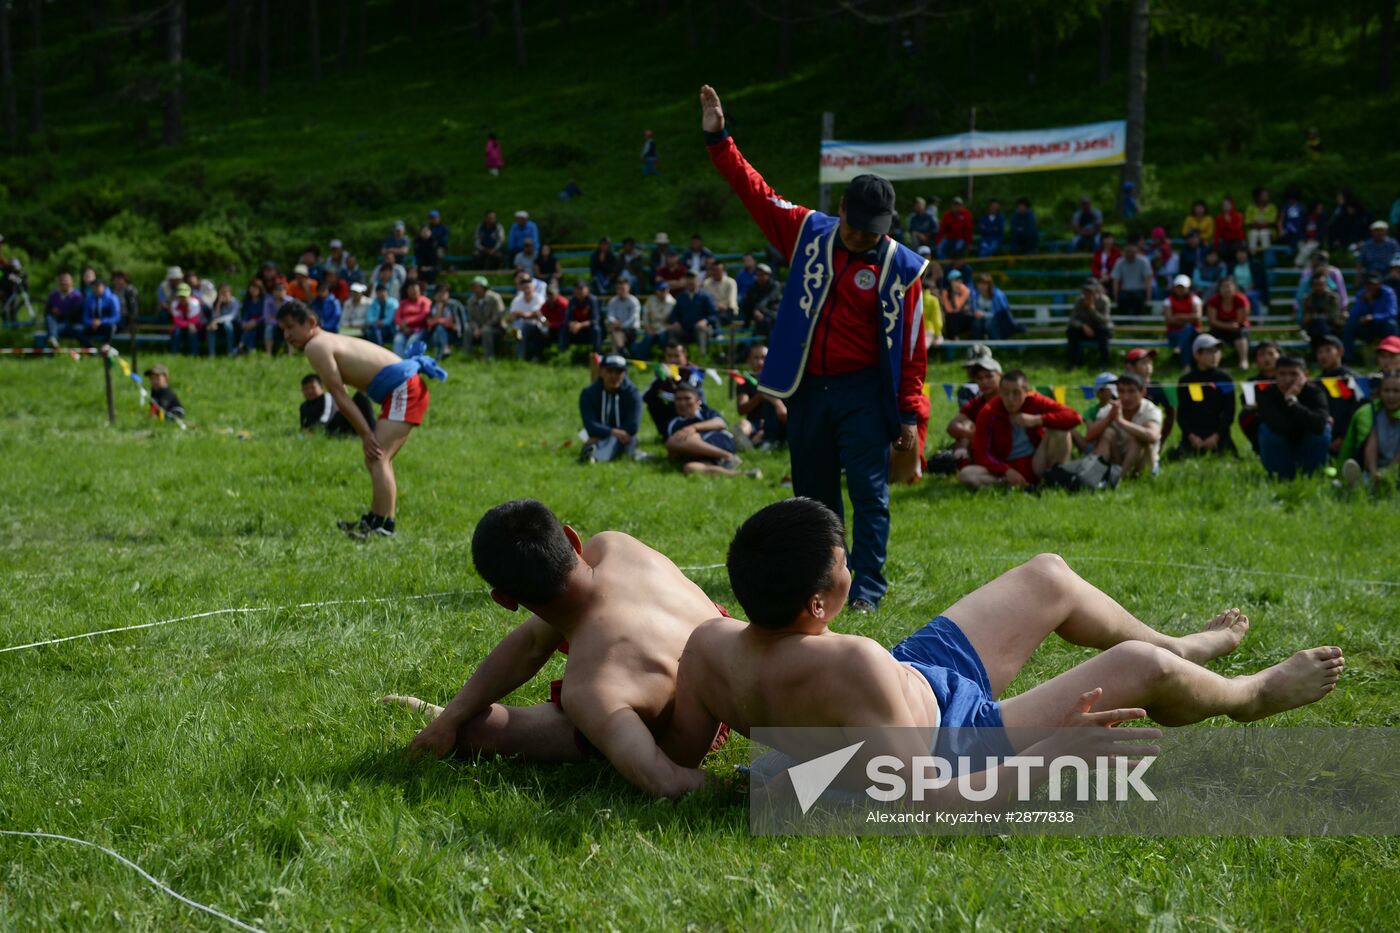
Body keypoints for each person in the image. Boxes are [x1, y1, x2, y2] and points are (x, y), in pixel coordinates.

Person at [641, 500, 1343, 801]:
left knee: (1049, 576)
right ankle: (1250, 694)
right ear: (817, 605)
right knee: (1143, 670)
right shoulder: (850, 662)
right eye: (843, 563)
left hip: (912, 679)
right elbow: (925, 806)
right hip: (957, 738)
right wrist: (1055, 753)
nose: (849, 566)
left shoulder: (708, 646)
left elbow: (678, 754)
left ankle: (1179, 640)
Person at [703, 83, 925, 612]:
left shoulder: (903, 267)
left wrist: (910, 414)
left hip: (864, 392)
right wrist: (719, 139)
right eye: (856, 227)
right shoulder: (805, 231)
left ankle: (867, 590)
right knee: (813, 497)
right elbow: (755, 191)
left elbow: (912, 350)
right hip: (806, 388)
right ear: (840, 208)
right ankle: (824, 582)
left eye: (873, 232)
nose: (863, 238)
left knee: (869, 492)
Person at [389, 499, 733, 798]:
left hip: (687, 726)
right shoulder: (616, 545)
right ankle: (446, 719)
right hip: (735, 673)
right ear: (572, 538)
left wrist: (747, 788)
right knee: (473, 724)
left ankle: (447, 720)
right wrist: (452, 717)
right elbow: (530, 643)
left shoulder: (591, 689)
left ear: (505, 601)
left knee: (478, 734)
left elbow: (665, 779)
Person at [277, 300, 446, 539]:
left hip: (405, 387)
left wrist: (366, 434)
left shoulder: (316, 346)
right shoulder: (324, 341)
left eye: (290, 327)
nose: (286, 335)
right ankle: (377, 520)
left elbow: (339, 394)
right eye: (282, 329)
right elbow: (343, 391)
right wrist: (365, 432)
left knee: (378, 456)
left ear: (311, 322)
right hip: (404, 386)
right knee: (376, 458)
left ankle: (383, 526)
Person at [960, 370, 1081, 489]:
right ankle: (1012, 484)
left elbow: (1074, 417)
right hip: (1004, 466)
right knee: (967, 474)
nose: (1010, 398)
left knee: (1061, 431)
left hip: (1038, 462)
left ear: (1026, 392)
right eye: (1006, 393)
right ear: (1000, 392)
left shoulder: (1036, 401)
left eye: (1016, 393)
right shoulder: (988, 412)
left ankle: (1054, 479)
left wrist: (1037, 420)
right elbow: (981, 454)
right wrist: (1006, 470)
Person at [1256, 356, 1330, 479]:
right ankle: (1279, 476)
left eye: (1293, 374)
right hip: (1283, 445)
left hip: (1308, 444)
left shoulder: (1316, 392)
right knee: (1266, 430)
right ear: (1275, 375)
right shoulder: (1267, 394)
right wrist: (1303, 420)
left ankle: (1312, 475)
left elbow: (1320, 424)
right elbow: (1275, 425)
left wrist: (1292, 402)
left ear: (1305, 375)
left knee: (1324, 430)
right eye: (1282, 374)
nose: (1287, 379)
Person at [664, 384, 757, 478]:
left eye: (687, 398)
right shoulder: (674, 423)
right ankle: (743, 475)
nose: (682, 403)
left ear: (697, 400)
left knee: (675, 440)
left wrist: (693, 428)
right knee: (690, 468)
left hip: (719, 441)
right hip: (699, 455)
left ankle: (726, 456)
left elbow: (720, 423)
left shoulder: (706, 413)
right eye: (678, 399)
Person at [1173, 335, 1237, 459]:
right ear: (1197, 355)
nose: (1215, 356)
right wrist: (1191, 436)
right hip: (1194, 434)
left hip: (1219, 433)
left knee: (1229, 457)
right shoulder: (1186, 380)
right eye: (1209, 352)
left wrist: (1216, 436)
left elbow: (1229, 412)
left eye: (1217, 351)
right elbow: (1182, 414)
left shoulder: (1226, 379)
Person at [1087, 372, 1163, 477]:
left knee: (1138, 438)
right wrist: (1109, 418)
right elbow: (1089, 437)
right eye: (1121, 391)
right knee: (1108, 433)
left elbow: (1152, 436)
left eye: (1131, 391)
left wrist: (1121, 421)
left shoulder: (1151, 410)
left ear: (1142, 392)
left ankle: (1120, 478)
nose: (1125, 397)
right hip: (1117, 459)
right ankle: (1097, 474)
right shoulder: (1110, 409)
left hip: (1143, 466)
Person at [579, 355, 643, 463]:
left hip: (623, 439)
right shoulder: (588, 394)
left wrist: (612, 435)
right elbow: (590, 424)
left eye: (619, 372)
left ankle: (595, 457)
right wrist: (612, 432)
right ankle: (596, 454)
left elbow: (633, 426)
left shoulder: (633, 394)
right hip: (598, 436)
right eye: (610, 371)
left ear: (625, 373)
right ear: (601, 372)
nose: (614, 376)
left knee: (623, 440)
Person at [946, 353, 1001, 469]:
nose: (984, 382)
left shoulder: (1009, 399)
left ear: (1000, 376)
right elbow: (951, 426)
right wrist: (974, 434)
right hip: (983, 444)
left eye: (989, 376)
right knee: (967, 425)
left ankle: (962, 461)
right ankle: (962, 462)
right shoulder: (977, 402)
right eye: (979, 378)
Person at [642, 342, 706, 437]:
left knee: (684, 400)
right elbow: (646, 397)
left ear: (685, 355)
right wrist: (661, 378)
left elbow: (688, 394)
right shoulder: (662, 371)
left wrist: (675, 378)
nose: (672, 360)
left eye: (676, 356)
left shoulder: (695, 372)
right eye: (669, 356)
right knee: (653, 400)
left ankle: (692, 431)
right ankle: (666, 434)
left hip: (692, 409)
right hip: (673, 407)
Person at [1349, 371, 1400, 483]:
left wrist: (1389, 473)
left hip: (1396, 468)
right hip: (1378, 467)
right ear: (1380, 393)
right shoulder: (1373, 414)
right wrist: (1374, 473)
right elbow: (1371, 446)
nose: (1391, 395)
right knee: (1367, 480)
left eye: (1396, 391)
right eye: (1386, 390)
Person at [734, 343, 787, 450]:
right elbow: (742, 409)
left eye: (764, 358)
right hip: (754, 422)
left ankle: (759, 440)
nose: (760, 362)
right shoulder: (745, 382)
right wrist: (760, 396)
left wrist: (775, 402)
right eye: (756, 358)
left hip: (777, 422)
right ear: (749, 361)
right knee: (743, 425)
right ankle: (751, 441)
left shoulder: (779, 379)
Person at [1343, 273, 1399, 363]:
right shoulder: (1362, 294)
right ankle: (1348, 359)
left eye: (1374, 284)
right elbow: (1354, 315)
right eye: (1368, 284)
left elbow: (1392, 313)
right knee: (1349, 326)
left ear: (1380, 284)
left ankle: (1394, 355)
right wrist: (1366, 302)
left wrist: (1374, 317)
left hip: (1382, 326)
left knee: (1391, 324)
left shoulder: (1388, 293)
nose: (1371, 287)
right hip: (1366, 327)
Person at [1238, 339, 1281, 453]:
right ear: (1256, 360)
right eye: (1262, 355)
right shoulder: (1251, 383)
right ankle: (1259, 449)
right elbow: (1248, 404)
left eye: (1271, 354)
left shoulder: (1288, 379)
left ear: (1279, 356)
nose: (1266, 358)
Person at [300, 373, 375, 437]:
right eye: (306, 389)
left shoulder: (327, 397)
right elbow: (304, 425)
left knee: (361, 395)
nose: (309, 391)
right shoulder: (303, 407)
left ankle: (373, 431)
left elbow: (326, 417)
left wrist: (314, 429)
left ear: (321, 387)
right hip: (329, 432)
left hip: (342, 426)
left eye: (313, 388)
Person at [1125, 347, 1176, 442]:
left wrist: (1162, 438)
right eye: (1144, 363)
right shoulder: (1122, 386)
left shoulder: (1156, 386)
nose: (1148, 366)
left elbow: (1170, 411)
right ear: (1130, 367)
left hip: (1148, 433)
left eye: (1150, 362)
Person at [667, 271, 718, 356]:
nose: (690, 282)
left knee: (700, 329)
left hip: (701, 329)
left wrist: (705, 321)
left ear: (698, 281)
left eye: (692, 279)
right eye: (688, 279)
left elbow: (714, 315)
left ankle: (702, 357)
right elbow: (674, 315)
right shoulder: (681, 297)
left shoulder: (706, 296)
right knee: (673, 330)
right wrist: (675, 322)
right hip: (685, 329)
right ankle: (674, 356)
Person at [1206, 276, 1251, 371]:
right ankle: (1213, 362)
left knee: (1240, 333)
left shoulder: (1241, 299)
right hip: (1219, 327)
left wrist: (1232, 326)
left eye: (1229, 286)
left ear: (1234, 287)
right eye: (1223, 286)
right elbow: (1212, 321)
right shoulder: (1213, 300)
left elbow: (1241, 319)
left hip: (1237, 327)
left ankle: (1243, 360)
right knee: (1212, 336)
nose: (1226, 289)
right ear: (1219, 288)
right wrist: (1227, 326)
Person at [1066, 278, 1113, 367]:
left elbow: (1104, 320)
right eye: (1085, 290)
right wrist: (1083, 326)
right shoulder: (1079, 300)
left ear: (1096, 290)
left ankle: (1104, 363)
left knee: (1104, 331)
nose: (1088, 293)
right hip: (1084, 330)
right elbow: (1072, 319)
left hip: (1099, 330)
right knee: (1071, 331)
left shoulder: (1104, 300)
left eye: (1090, 290)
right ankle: (1075, 362)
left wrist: (1092, 310)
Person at [1299, 266, 1345, 351]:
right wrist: (1317, 317)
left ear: (1325, 285)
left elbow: (1333, 316)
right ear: (1312, 286)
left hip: (1331, 326)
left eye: (1321, 284)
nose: (1318, 287)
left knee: (1321, 325)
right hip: (1313, 327)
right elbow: (1305, 318)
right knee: (1318, 326)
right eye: (1316, 285)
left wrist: (1316, 316)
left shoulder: (1332, 298)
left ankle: (1321, 352)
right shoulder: (1307, 299)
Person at [1162, 274, 1203, 368]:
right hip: (1175, 332)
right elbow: (1169, 319)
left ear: (1188, 288)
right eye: (1178, 287)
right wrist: (1188, 319)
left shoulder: (1195, 299)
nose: (1180, 290)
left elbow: (1197, 317)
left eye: (1183, 287)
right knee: (1187, 337)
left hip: (1192, 331)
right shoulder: (1168, 300)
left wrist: (1178, 316)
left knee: (1188, 329)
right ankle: (1189, 366)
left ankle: (1180, 351)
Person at [463, 276, 506, 359]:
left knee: (486, 331)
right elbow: (471, 319)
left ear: (484, 288)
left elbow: (498, 316)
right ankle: (467, 356)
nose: (475, 289)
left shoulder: (495, 298)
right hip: (479, 328)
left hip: (496, 328)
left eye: (477, 287)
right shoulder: (470, 301)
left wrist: (482, 328)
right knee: (467, 330)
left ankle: (488, 357)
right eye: (473, 287)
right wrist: (476, 329)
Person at [507, 279, 548, 362]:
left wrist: (522, 314)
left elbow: (538, 314)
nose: (526, 290)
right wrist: (526, 315)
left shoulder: (539, 299)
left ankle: (520, 356)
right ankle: (519, 356)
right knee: (516, 331)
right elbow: (511, 317)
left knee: (523, 329)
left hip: (537, 328)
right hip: (518, 328)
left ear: (533, 289)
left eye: (528, 288)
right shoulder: (517, 300)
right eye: (524, 288)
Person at [1111, 238, 1154, 316]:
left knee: (1138, 298)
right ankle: (1126, 319)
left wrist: (1148, 296)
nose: (1130, 254)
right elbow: (1115, 281)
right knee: (1123, 299)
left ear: (1136, 252)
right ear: (1124, 252)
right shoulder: (1119, 262)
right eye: (1128, 252)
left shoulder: (1144, 262)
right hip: (1125, 291)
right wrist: (1116, 296)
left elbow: (1148, 280)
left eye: (1132, 252)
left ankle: (1135, 318)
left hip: (1139, 290)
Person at [43, 272, 85, 348]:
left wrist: (61, 313)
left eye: (66, 281)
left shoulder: (77, 296)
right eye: (62, 281)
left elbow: (77, 313)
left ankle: (53, 338)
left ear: (71, 282)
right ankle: (53, 339)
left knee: (53, 329)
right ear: (59, 282)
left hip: (70, 324)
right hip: (55, 323)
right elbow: (47, 311)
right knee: (49, 318)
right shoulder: (53, 295)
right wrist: (52, 311)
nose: (64, 283)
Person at [739, 262, 781, 338]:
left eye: (762, 275)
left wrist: (757, 309)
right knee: (745, 302)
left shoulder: (775, 285)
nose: (760, 277)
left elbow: (768, 298)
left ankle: (768, 342)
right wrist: (755, 311)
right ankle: (748, 327)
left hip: (772, 311)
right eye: (758, 275)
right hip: (758, 313)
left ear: (768, 275)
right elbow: (749, 300)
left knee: (768, 321)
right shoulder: (753, 286)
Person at [561, 280, 602, 353]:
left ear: (587, 290)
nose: (578, 291)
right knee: (564, 329)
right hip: (575, 330)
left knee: (596, 329)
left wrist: (580, 325)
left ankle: (596, 354)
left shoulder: (592, 300)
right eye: (576, 289)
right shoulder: (572, 300)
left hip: (589, 331)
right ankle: (563, 354)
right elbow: (567, 318)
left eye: (581, 289)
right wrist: (572, 324)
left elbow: (595, 320)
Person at [80, 279, 122, 350]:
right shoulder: (89, 299)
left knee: (111, 327)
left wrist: (101, 322)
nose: (95, 289)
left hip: (107, 326)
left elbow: (117, 317)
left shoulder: (112, 298)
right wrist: (91, 322)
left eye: (97, 286)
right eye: (93, 287)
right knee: (80, 331)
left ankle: (106, 347)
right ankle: (91, 350)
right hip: (93, 326)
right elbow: (85, 317)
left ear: (104, 287)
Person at [605, 277, 641, 353]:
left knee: (615, 332)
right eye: (619, 288)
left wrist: (621, 325)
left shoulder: (634, 301)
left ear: (628, 288)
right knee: (615, 331)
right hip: (616, 327)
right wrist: (614, 322)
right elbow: (610, 315)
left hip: (631, 329)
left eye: (623, 288)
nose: (621, 291)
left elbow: (633, 319)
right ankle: (621, 351)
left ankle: (618, 352)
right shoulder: (613, 301)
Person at [427, 285, 464, 358]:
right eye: (440, 293)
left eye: (445, 292)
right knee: (439, 328)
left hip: (453, 333)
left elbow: (455, 323)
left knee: (439, 327)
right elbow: (430, 324)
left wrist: (439, 321)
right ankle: (444, 349)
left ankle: (440, 353)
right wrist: (439, 309)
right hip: (436, 333)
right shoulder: (433, 306)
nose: (442, 295)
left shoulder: (454, 305)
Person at [204, 282, 240, 354]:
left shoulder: (235, 302)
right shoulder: (217, 303)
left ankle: (230, 351)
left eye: (225, 293)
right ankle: (211, 354)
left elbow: (232, 316)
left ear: (230, 293)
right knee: (212, 328)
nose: (223, 295)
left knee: (227, 324)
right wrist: (218, 304)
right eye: (221, 293)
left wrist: (217, 321)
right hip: (220, 326)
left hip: (234, 326)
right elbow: (214, 317)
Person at [168, 282, 202, 355]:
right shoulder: (174, 304)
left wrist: (188, 324)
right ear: (177, 296)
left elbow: (194, 320)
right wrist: (188, 324)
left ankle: (195, 354)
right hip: (184, 325)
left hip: (196, 326)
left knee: (192, 332)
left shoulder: (195, 303)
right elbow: (176, 320)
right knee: (176, 331)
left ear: (190, 295)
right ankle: (175, 353)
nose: (183, 298)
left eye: (184, 296)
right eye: (181, 296)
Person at [702, 260, 739, 325]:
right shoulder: (706, 283)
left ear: (724, 271)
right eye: (714, 270)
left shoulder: (731, 282)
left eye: (718, 270)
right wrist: (716, 306)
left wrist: (722, 306)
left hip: (728, 310)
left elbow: (731, 300)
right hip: (712, 310)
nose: (716, 272)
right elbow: (705, 300)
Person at [361, 282, 397, 348]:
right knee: (372, 330)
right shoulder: (373, 303)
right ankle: (380, 347)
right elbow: (369, 318)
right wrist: (376, 322)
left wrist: (381, 322)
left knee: (372, 332)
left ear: (387, 292)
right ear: (376, 293)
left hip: (389, 329)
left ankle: (379, 348)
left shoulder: (393, 303)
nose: (382, 294)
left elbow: (390, 319)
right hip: (376, 328)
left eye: (383, 291)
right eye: (379, 292)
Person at [1246, 188, 1277, 254]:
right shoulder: (1251, 207)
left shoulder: (1272, 207)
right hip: (1254, 230)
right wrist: (1261, 224)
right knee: (1253, 233)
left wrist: (1257, 223)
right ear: (1259, 197)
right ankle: (1252, 255)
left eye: (1267, 196)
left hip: (1269, 231)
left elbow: (1272, 222)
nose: (1267, 197)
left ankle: (1266, 255)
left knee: (1263, 232)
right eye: (1265, 196)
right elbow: (1248, 222)